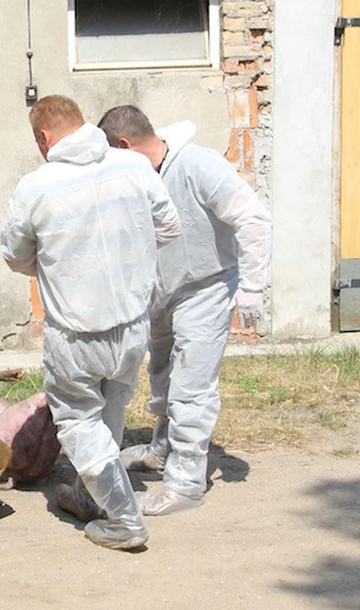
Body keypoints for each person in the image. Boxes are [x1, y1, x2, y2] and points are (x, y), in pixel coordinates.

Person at [0, 95, 182, 550]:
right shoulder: (135, 168)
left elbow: (15, 255)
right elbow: (169, 227)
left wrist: (59, 265)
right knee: (111, 413)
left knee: (80, 423)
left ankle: (124, 521)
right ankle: (91, 497)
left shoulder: (36, 186)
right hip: (132, 326)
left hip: (77, 334)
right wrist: (126, 261)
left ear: (44, 138)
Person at [97, 105, 272, 516]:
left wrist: (251, 288)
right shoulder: (143, 175)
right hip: (162, 291)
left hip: (207, 287)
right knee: (163, 376)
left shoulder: (197, 165)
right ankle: (162, 449)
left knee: (191, 386)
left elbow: (253, 219)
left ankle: (186, 482)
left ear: (125, 145)